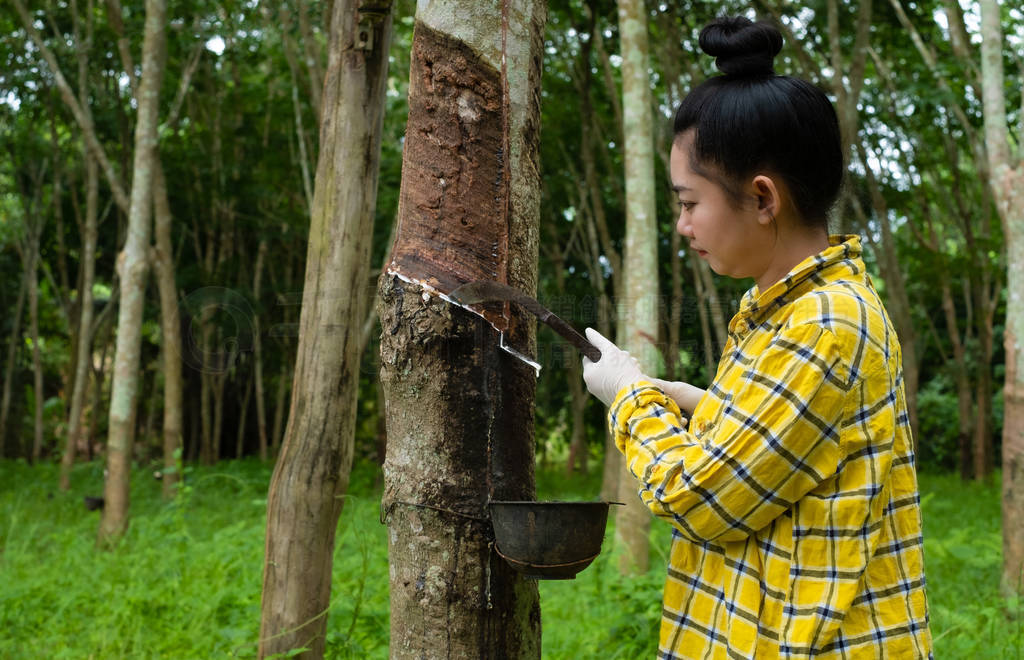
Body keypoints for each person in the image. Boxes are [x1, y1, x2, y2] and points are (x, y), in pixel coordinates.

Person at [582, 15, 932, 659]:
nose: (683, 225)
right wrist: (698, 401)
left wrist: (630, 397)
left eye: (689, 203)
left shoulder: (827, 322)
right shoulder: (780, 310)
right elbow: (794, 457)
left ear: (763, 197)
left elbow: (704, 499)